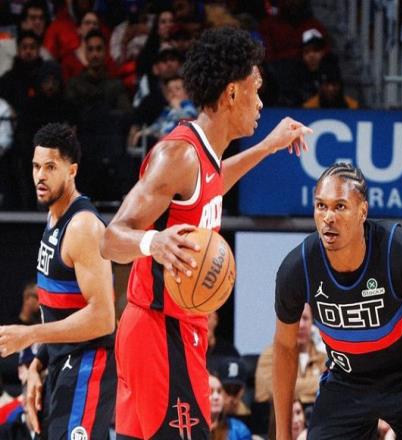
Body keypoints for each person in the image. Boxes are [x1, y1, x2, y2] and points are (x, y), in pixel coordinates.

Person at [100, 26, 311, 439]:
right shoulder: (177, 155)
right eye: (256, 89)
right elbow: (111, 239)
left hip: (171, 330)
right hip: (160, 332)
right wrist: (153, 242)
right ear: (232, 93)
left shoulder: (205, 158)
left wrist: (267, 146)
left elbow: (214, 182)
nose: (261, 101)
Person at [272, 162, 402, 439]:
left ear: (363, 211)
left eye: (340, 206)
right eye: (321, 206)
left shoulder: (398, 250)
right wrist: (282, 434)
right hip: (348, 380)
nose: (328, 217)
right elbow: (285, 347)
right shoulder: (298, 267)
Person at [0, 122, 116, 439]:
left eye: (50, 167)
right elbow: (56, 306)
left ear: (72, 170)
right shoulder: (53, 215)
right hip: (60, 360)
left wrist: (29, 336)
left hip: (89, 365)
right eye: (36, 166)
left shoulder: (83, 227)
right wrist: (37, 362)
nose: (40, 175)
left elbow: (104, 318)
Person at [255, 303, 326, 408]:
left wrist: (294, 390)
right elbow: (277, 391)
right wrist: (318, 383)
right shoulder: (270, 356)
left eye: (305, 318)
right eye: (296, 319)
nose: (301, 325)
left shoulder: (322, 358)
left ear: (312, 322)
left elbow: (330, 390)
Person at [209, 373, 252, 440]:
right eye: (210, 392)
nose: (216, 397)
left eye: (219, 391)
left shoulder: (239, 430)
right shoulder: (192, 429)